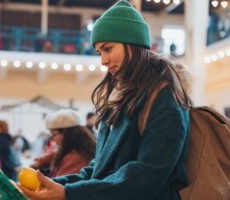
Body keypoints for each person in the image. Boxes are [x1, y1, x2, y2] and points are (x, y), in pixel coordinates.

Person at [19, 1, 192, 200]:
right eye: (100, 52)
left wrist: (69, 194)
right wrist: (53, 184)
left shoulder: (165, 98)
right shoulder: (123, 98)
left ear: (133, 44)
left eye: (108, 49)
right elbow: (98, 170)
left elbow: (148, 175)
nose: (103, 60)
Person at [31, 109, 96, 177]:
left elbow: (57, 185)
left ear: (67, 134)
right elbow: (53, 155)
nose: (52, 138)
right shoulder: (74, 150)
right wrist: (38, 162)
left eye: (54, 134)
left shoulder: (75, 158)